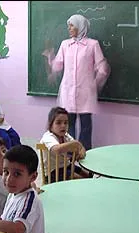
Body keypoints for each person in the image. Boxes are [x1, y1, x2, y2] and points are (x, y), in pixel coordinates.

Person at [42, 14, 110, 150]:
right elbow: (57, 66)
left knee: (86, 126)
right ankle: (70, 155)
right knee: (67, 126)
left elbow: (102, 68)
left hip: (85, 92)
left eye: (72, 25)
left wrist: (94, 84)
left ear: (80, 26)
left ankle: (85, 154)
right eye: (69, 26)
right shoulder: (65, 44)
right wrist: (50, 57)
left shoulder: (92, 44)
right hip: (68, 91)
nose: (69, 28)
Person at [40, 106, 90, 183]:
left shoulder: (65, 135)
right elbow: (56, 150)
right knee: (81, 180)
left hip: (65, 166)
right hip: (52, 172)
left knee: (89, 175)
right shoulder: (48, 137)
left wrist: (80, 151)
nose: (63, 126)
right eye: (58, 123)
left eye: (66, 122)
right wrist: (76, 144)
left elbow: (80, 147)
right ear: (51, 125)